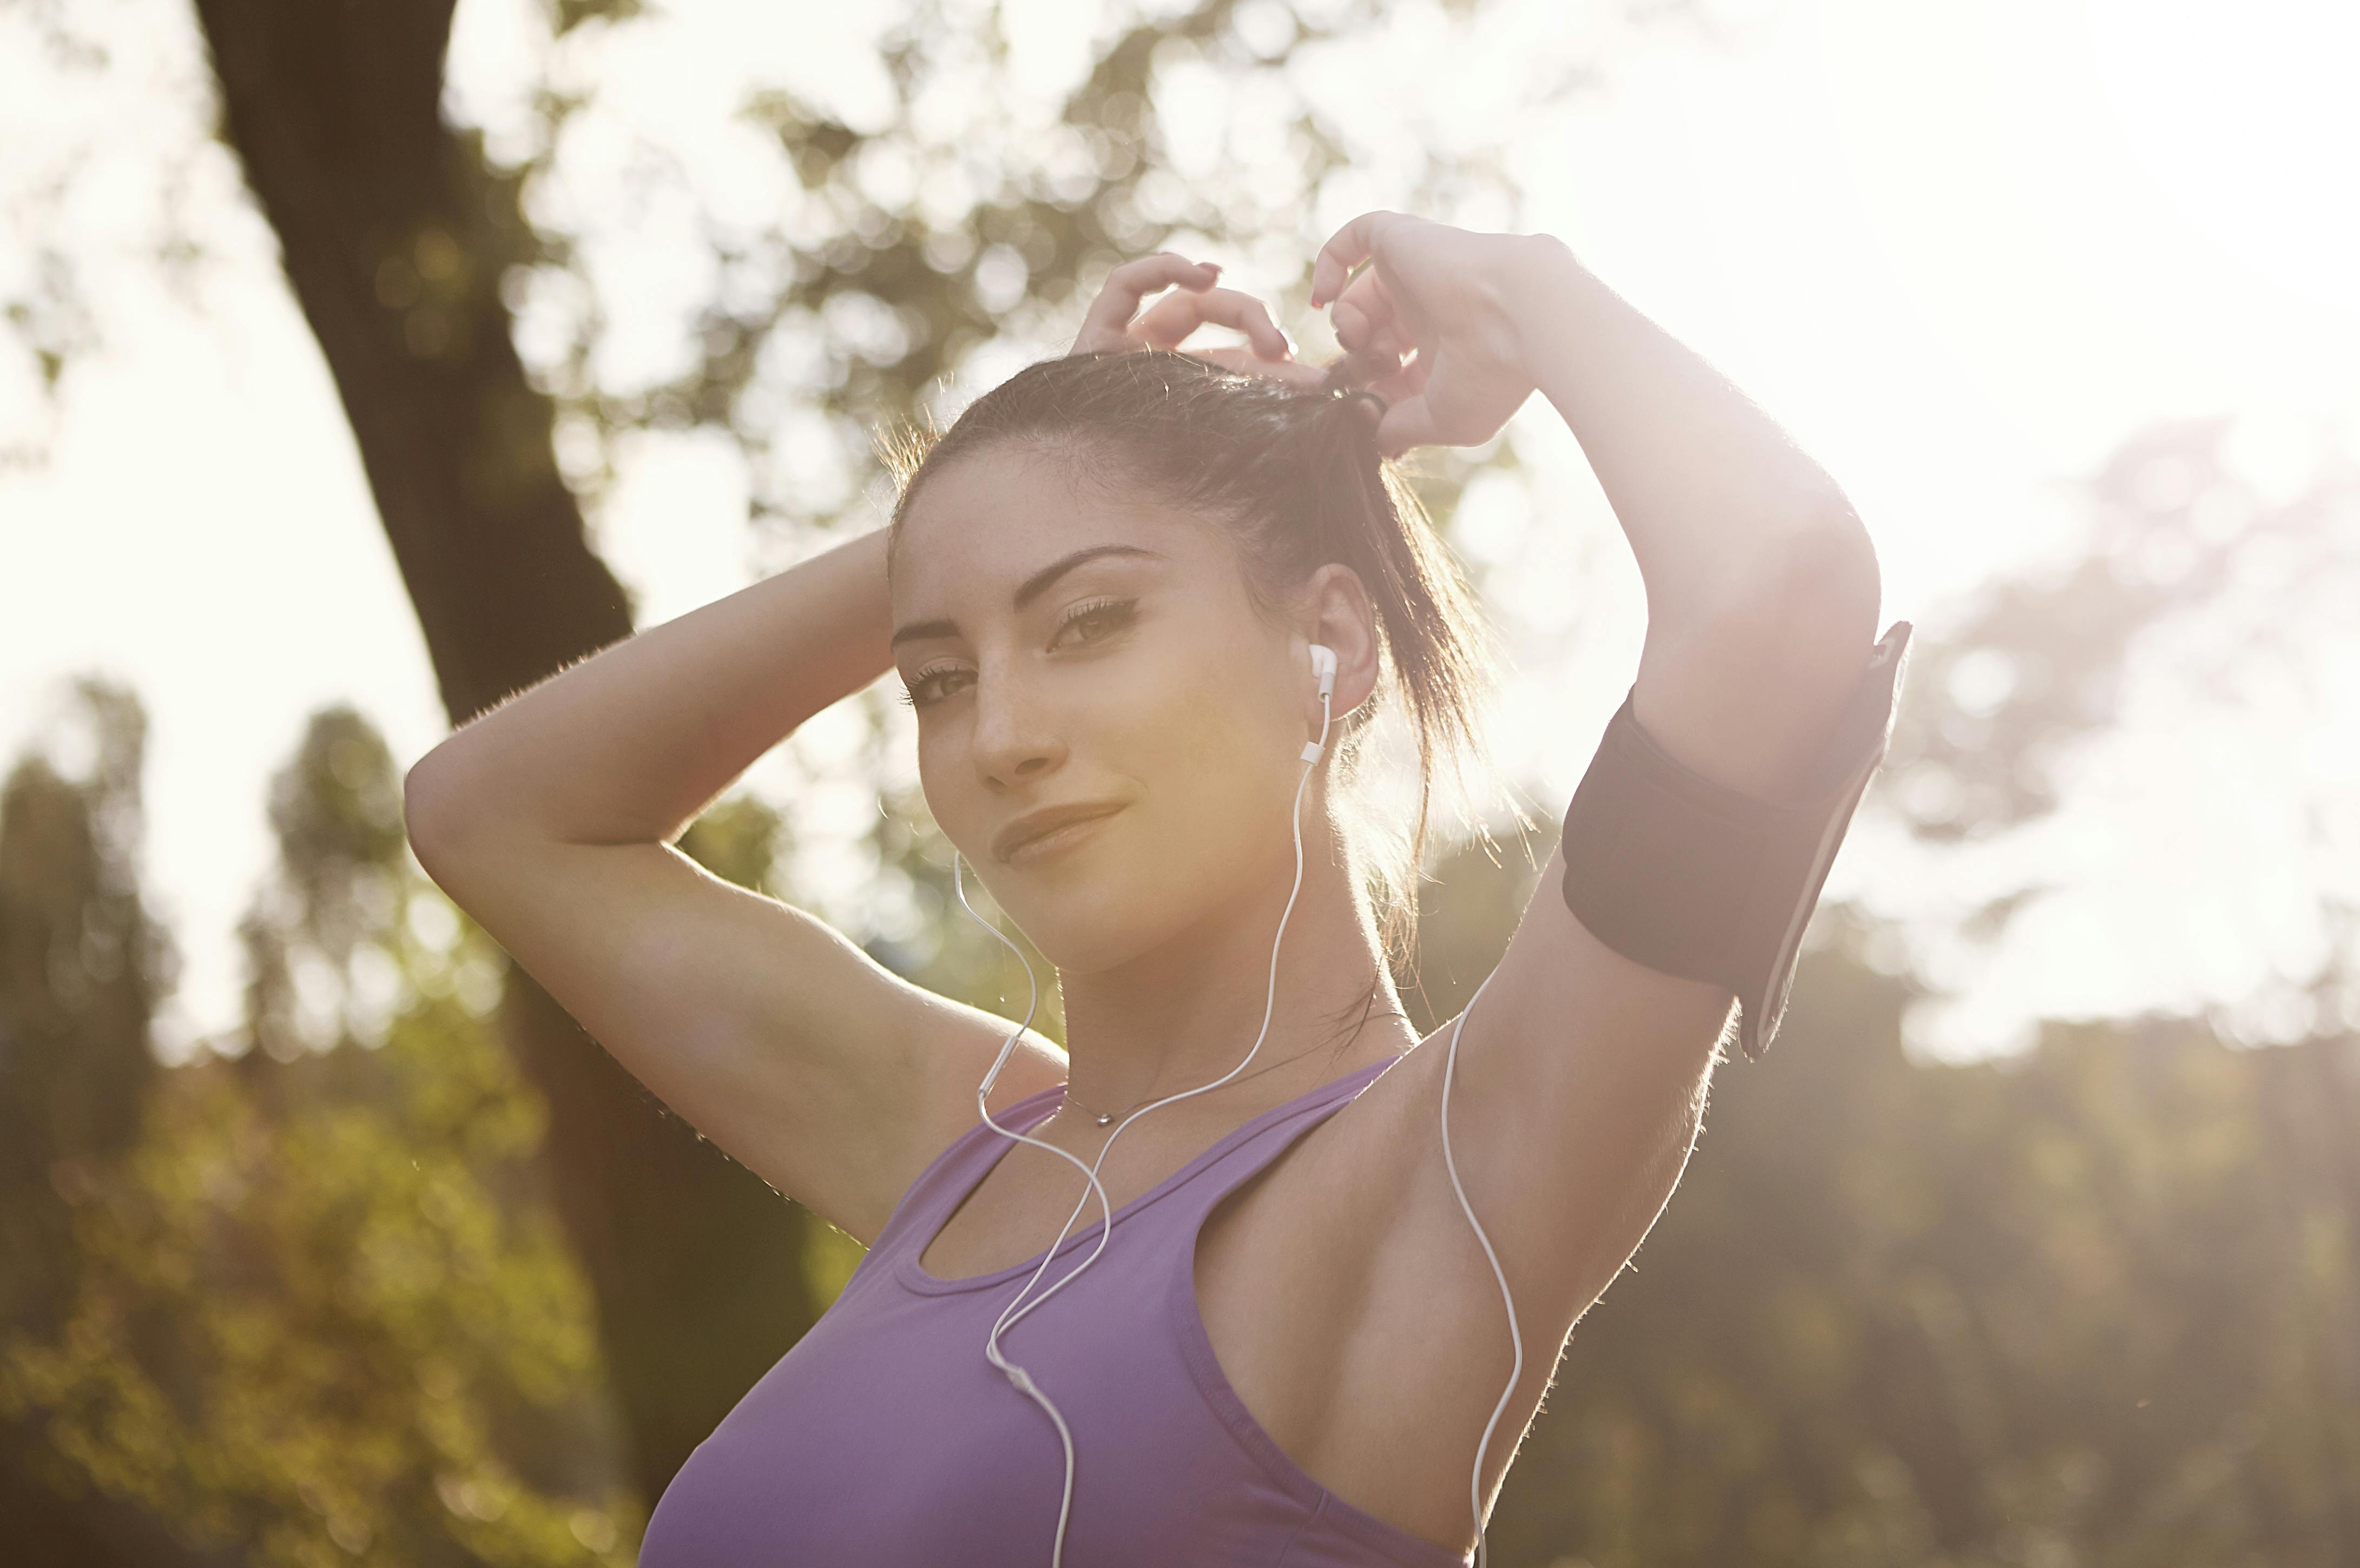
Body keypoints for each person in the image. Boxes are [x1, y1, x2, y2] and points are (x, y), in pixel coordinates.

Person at [402, 212, 1903, 1565]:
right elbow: (489, 812)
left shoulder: (1433, 1181)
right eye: (939, 676)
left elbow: (1780, 589)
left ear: (1335, 641)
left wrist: (1526, 290)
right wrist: (989, 508)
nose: (998, 735)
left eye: (1090, 621)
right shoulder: (965, 1151)